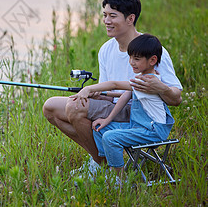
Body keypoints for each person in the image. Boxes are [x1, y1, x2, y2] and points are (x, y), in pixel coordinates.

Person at [42, 0, 182, 167]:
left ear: (130, 18)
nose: (106, 21)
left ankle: (100, 164)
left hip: (140, 114)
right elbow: (109, 91)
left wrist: (161, 88)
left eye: (113, 16)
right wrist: (95, 94)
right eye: (104, 15)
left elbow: (176, 98)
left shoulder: (151, 50)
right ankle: (102, 159)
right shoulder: (106, 49)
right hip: (114, 105)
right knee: (51, 107)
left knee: (75, 108)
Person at [70, 34, 175, 174]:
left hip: (153, 130)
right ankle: (102, 164)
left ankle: (118, 178)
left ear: (152, 60)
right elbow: (126, 94)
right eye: (130, 57)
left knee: (110, 137)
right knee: (100, 128)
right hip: (139, 125)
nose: (131, 62)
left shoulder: (148, 81)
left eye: (136, 59)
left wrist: (88, 88)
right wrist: (107, 119)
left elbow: (114, 84)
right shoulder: (141, 78)